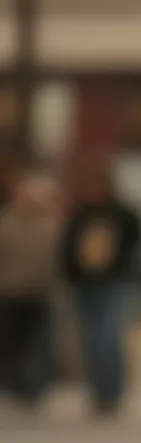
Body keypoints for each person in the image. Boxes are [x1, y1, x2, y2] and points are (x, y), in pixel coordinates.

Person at [60, 156, 141, 414]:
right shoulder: (80, 214)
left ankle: (112, 391)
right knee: (91, 339)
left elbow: (136, 238)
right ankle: (97, 391)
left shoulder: (121, 212)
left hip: (113, 281)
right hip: (86, 283)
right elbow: (67, 248)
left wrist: (124, 262)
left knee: (109, 335)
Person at [0, 172, 60, 406]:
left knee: (31, 342)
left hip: (36, 293)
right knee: (17, 341)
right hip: (13, 292)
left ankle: (30, 386)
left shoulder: (48, 225)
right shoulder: (8, 224)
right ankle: (20, 385)